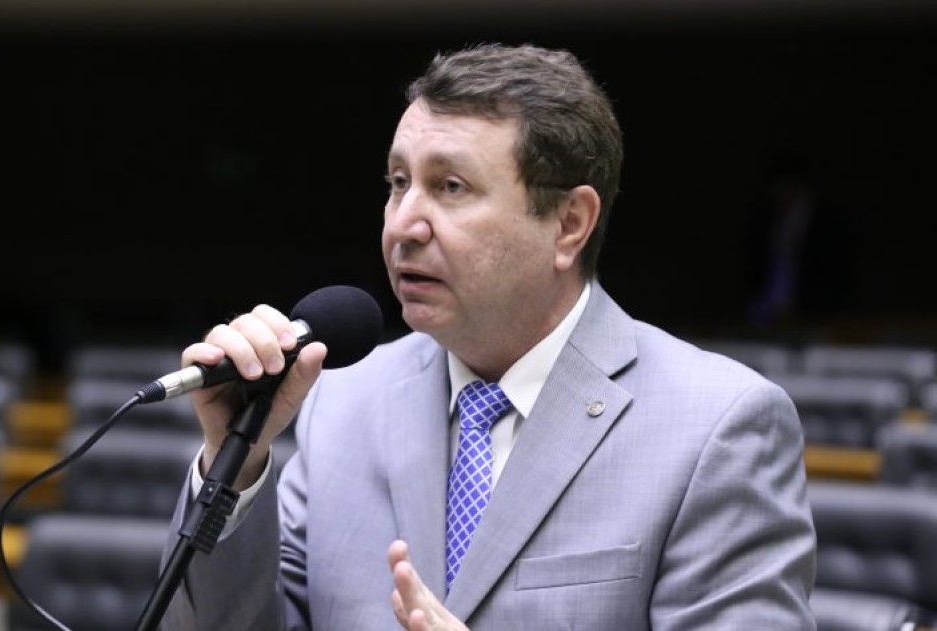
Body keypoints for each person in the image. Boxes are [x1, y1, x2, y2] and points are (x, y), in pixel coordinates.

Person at [160, 42, 817, 630]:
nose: (404, 224)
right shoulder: (344, 399)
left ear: (569, 223)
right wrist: (234, 461)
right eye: (398, 183)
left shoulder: (717, 426)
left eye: (450, 187)